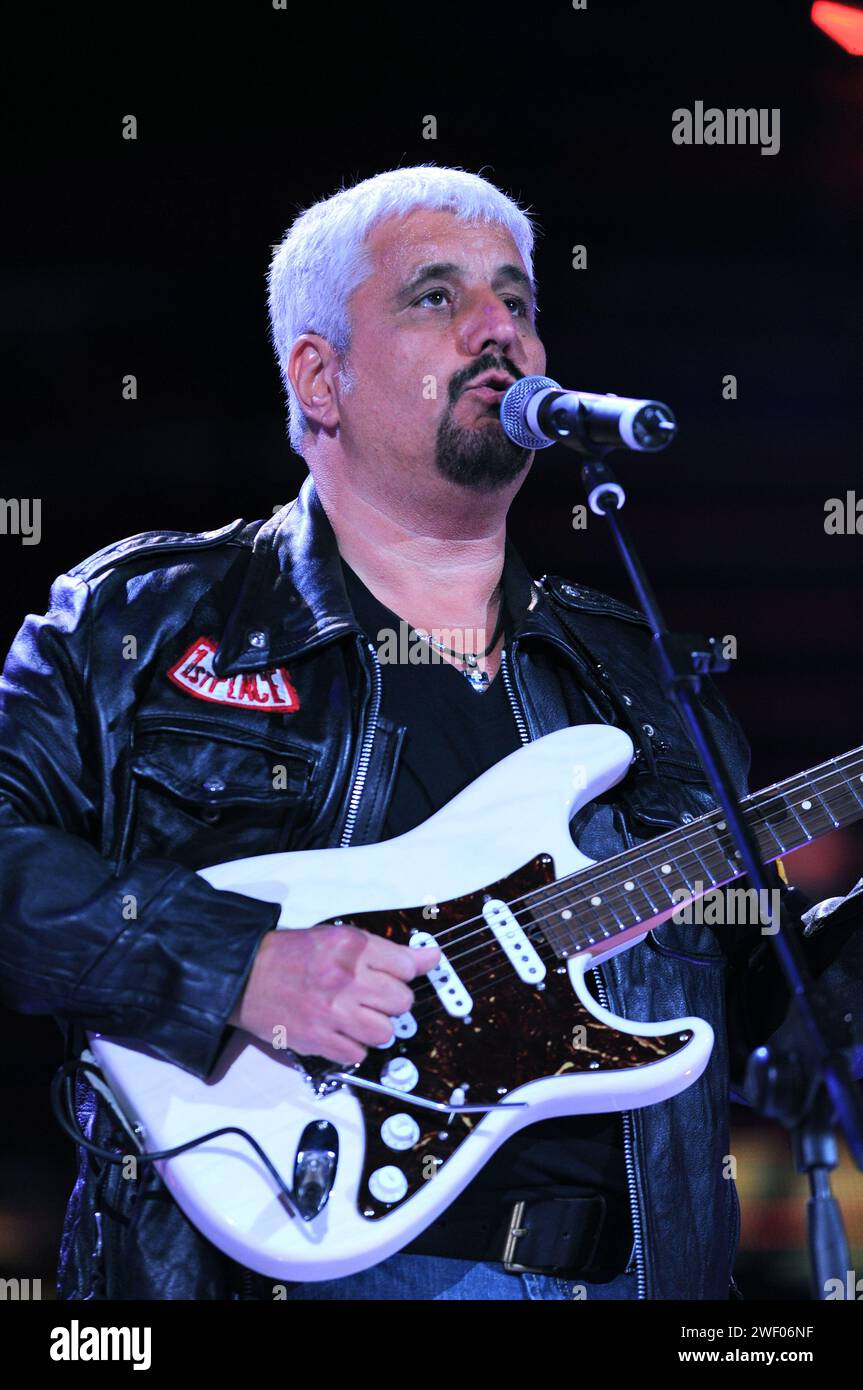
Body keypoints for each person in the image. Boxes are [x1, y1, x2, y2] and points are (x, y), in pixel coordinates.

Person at [1, 165, 860, 1302]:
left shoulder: (641, 679)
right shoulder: (143, 623)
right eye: (435, 298)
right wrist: (236, 963)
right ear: (319, 377)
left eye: (517, 300)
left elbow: (766, 1009)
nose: (497, 327)